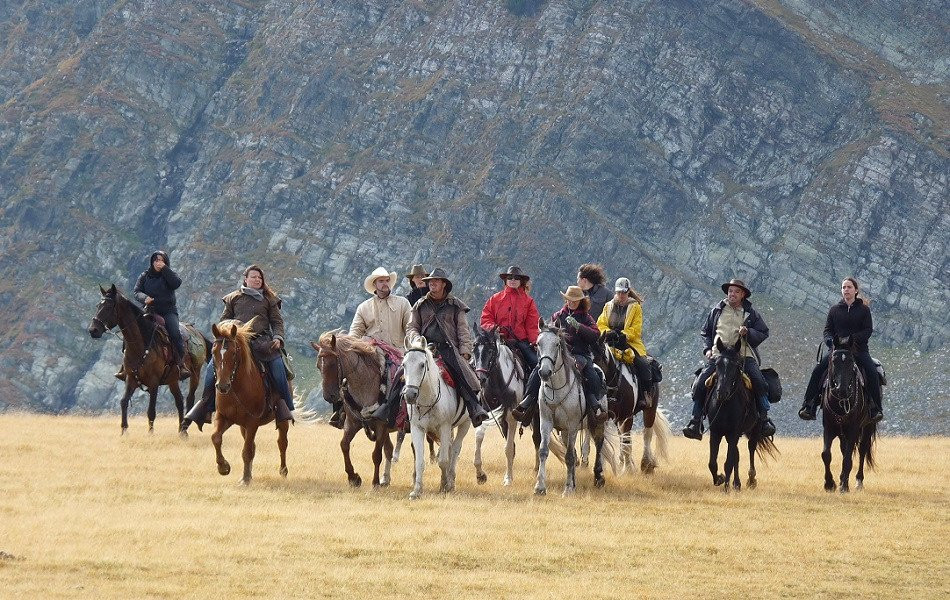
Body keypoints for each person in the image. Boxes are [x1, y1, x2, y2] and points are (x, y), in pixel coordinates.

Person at [179, 265, 293, 433]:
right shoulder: (233, 297)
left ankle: (284, 407)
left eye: (259, 278)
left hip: (263, 343)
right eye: (253, 277)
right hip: (236, 342)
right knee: (212, 368)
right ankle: (206, 405)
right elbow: (224, 320)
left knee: (279, 369)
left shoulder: (269, 299)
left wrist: (278, 338)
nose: (257, 280)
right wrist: (233, 328)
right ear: (245, 279)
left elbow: (277, 322)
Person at [682, 279, 775, 440]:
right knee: (699, 383)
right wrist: (708, 349)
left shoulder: (750, 312)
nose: (732, 294)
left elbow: (764, 332)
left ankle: (764, 420)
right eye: (731, 291)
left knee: (759, 381)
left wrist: (749, 332)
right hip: (719, 355)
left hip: (743, 355)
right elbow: (705, 332)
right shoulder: (717, 310)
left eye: (736, 292)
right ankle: (695, 421)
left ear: (743, 295)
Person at [512, 285, 609, 426]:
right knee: (538, 370)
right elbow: (550, 334)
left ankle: (594, 403)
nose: (571, 303)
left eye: (574, 301)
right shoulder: (557, 316)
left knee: (592, 374)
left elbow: (595, 335)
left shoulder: (586, 318)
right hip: (560, 355)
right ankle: (528, 400)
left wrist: (578, 326)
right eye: (569, 300)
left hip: (580, 354)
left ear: (580, 301)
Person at [406, 268, 489, 427]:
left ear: (444, 284)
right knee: (402, 374)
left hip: (448, 349)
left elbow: (463, 330)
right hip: (424, 349)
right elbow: (412, 327)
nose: (432, 283)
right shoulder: (420, 304)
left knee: (462, 376)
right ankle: (392, 410)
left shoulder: (456, 305)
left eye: (436, 281)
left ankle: (475, 408)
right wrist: (417, 341)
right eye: (430, 281)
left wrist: (464, 351)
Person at [799, 277, 882, 423]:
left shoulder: (864, 310)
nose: (846, 290)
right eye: (844, 287)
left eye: (849, 287)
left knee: (872, 371)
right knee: (818, 370)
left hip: (858, 350)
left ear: (856, 290)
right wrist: (831, 341)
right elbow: (827, 330)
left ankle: (875, 408)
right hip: (836, 351)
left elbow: (868, 330)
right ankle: (809, 406)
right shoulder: (834, 310)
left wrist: (852, 339)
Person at [345, 267, 412, 428]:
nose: (385, 284)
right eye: (381, 281)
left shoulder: (402, 303)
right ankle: (343, 412)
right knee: (345, 374)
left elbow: (410, 327)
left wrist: (413, 345)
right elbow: (354, 332)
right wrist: (351, 348)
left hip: (397, 351)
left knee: (408, 378)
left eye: (387, 280)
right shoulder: (364, 307)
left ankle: (404, 411)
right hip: (371, 350)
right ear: (374, 285)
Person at [124, 250, 189, 380]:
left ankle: (181, 365)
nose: (158, 262)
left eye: (161, 260)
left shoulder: (169, 275)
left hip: (168, 311)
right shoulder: (145, 276)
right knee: (131, 330)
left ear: (165, 262)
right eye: (156, 260)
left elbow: (177, 283)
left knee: (175, 333)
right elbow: (136, 291)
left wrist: (165, 269)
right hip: (149, 310)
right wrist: (145, 298)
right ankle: (124, 367)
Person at [596, 277, 653, 404]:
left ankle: (645, 395)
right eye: (619, 292)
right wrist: (608, 332)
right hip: (610, 342)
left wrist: (624, 335)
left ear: (628, 292)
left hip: (629, 343)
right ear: (616, 292)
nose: (621, 295)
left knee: (644, 364)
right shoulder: (608, 306)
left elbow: (636, 328)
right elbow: (600, 323)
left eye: (624, 292)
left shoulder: (635, 307)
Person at [480, 265, 540, 376]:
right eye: (510, 277)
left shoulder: (528, 301)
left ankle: (532, 393)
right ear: (505, 280)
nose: (513, 280)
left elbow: (532, 325)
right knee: (479, 365)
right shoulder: (494, 299)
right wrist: (494, 328)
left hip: (520, 342)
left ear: (521, 281)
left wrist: (534, 342)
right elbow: (485, 318)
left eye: (516, 278)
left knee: (537, 365)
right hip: (497, 341)